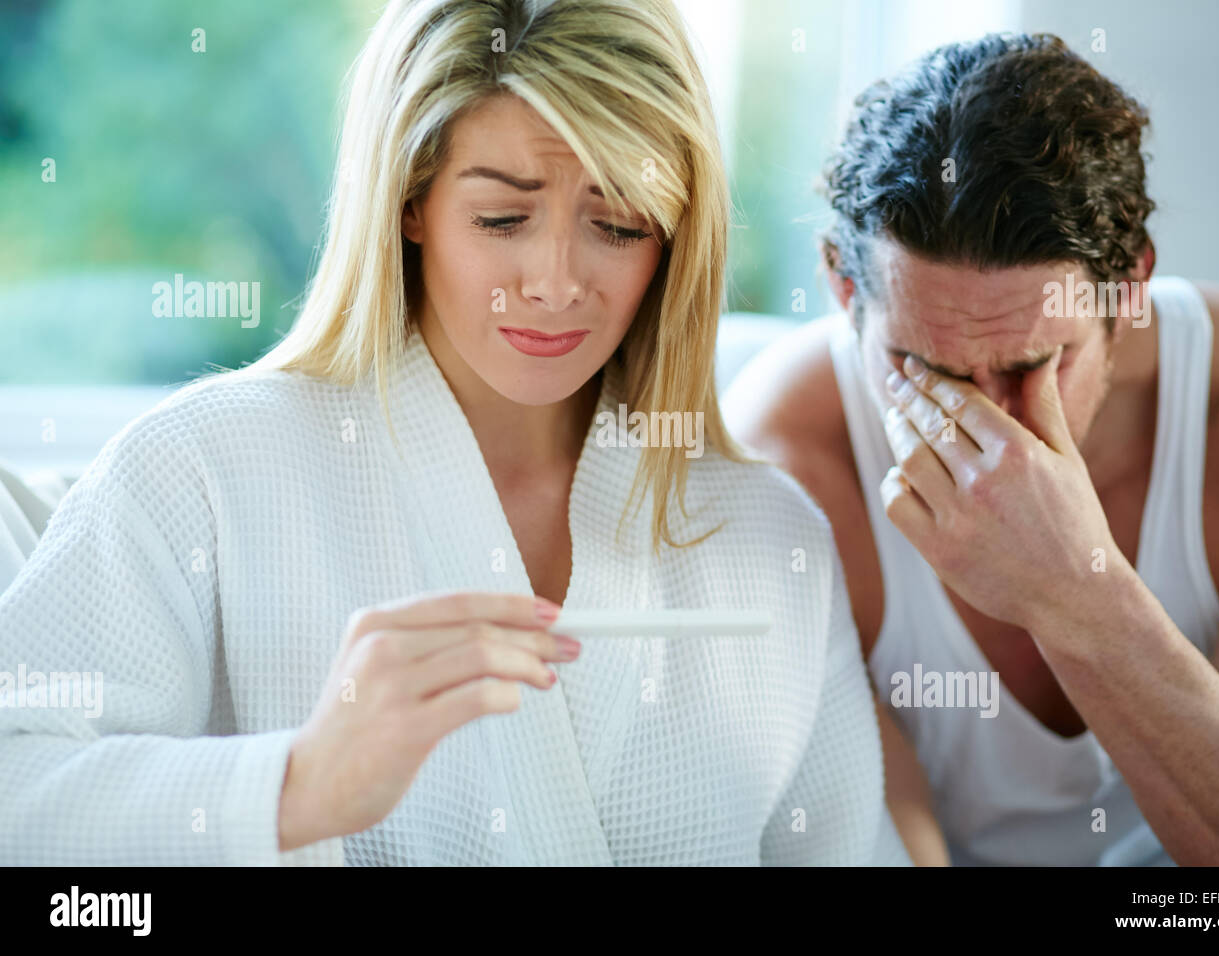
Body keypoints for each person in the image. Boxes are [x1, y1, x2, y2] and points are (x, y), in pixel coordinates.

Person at [0, 0, 936, 866]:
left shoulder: (765, 534)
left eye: (616, 225)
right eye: (502, 216)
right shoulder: (199, 471)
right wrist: (299, 786)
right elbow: (19, 791)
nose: (557, 280)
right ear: (410, 200)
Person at [725, 32, 1219, 865]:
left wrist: (1073, 593)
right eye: (923, 370)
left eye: (1035, 365)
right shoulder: (785, 464)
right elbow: (875, 841)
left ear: (1129, 289)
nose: (982, 428)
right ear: (846, 291)